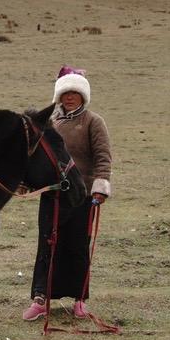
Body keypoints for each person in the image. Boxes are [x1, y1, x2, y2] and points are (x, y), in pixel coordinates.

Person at [23, 66, 112, 323]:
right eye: (65, 93)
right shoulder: (50, 124)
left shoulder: (93, 122)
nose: (69, 97)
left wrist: (101, 186)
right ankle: (41, 299)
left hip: (82, 195)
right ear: (58, 96)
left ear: (83, 95)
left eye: (74, 92)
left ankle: (79, 300)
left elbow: (103, 157)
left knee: (77, 246)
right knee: (47, 245)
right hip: (52, 196)